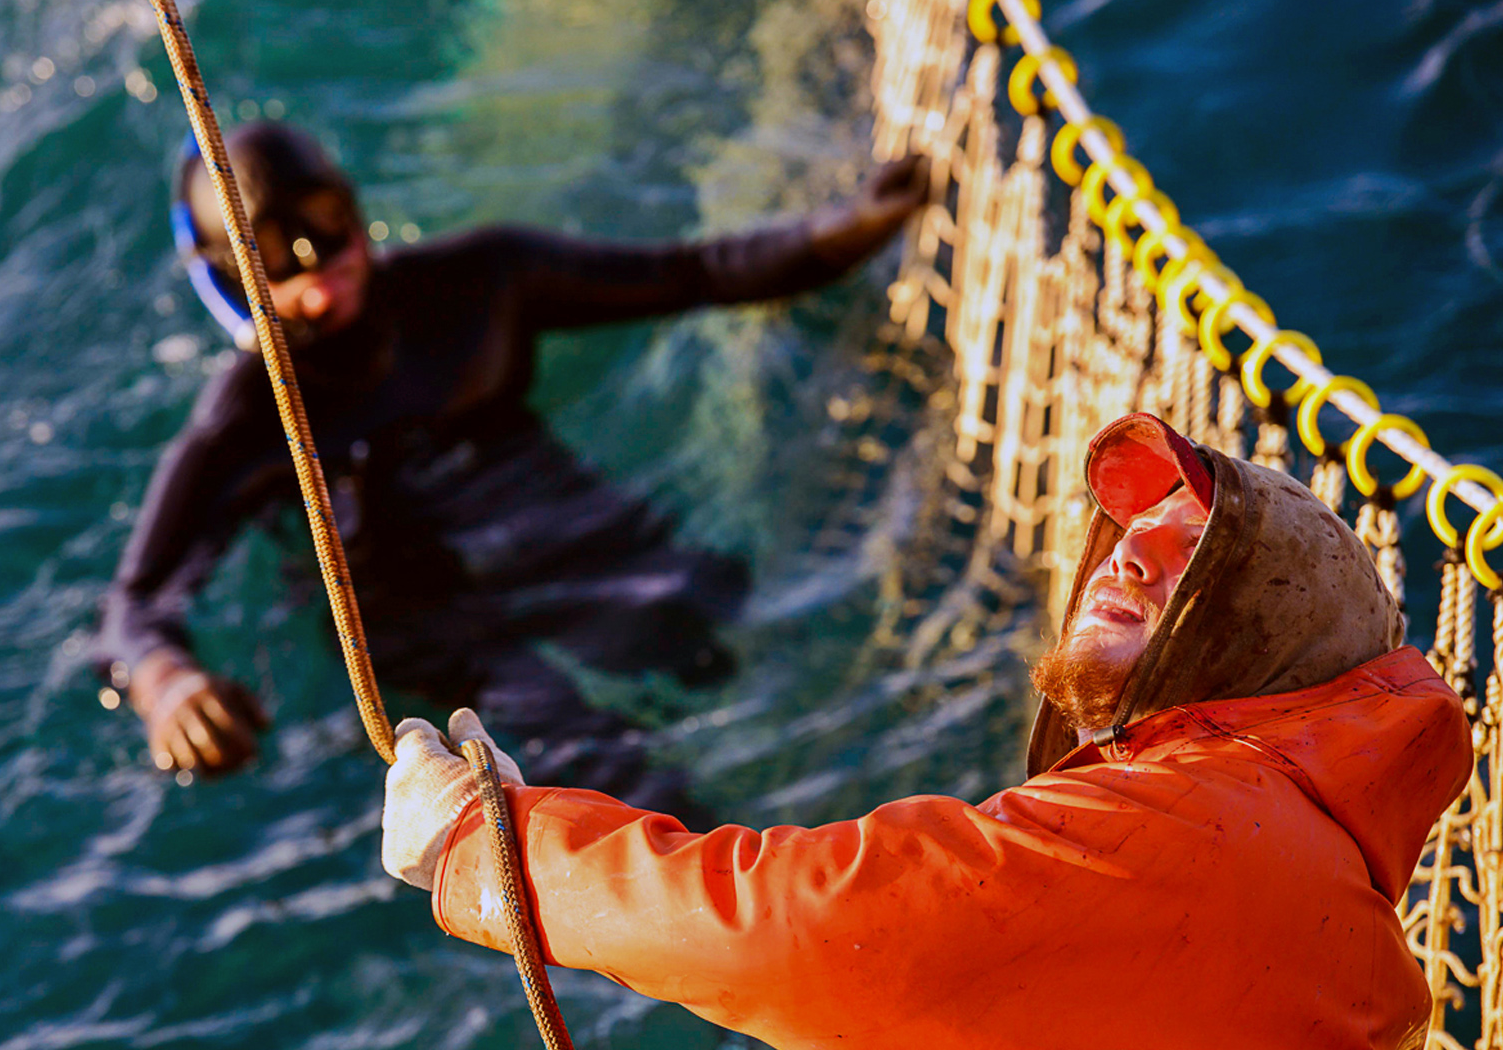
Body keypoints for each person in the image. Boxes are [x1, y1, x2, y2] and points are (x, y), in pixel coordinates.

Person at [381, 412, 1474, 1048]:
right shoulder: (1306, 868)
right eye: (1134, 531)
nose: (1129, 554)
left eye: (1192, 555)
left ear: (1261, 645)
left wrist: (494, 852)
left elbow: (801, 928)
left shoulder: (1194, 828)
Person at [95, 122, 929, 807]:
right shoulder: (245, 422)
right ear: (231, 284)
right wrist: (169, 686)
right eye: (277, 260)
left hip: (559, 530)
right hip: (425, 616)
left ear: (356, 208)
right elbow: (132, 609)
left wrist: (848, 229)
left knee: (717, 632)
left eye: (327, 227)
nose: (322, 270)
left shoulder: (481, 282)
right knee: (616, 778)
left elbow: (692, 274)